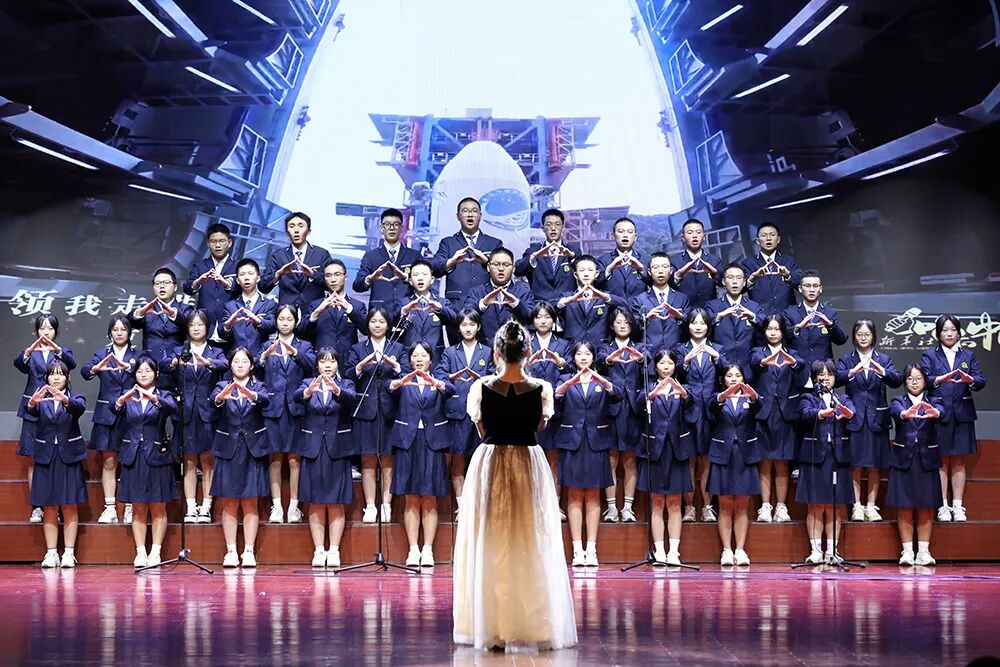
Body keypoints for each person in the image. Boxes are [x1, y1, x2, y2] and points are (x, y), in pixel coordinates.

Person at [453, 320, 577, 651]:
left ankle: (493, 625)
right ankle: (534, 624)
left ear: (496, 352)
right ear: (528, 352)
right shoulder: (542, 388)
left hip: (491, 461)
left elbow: (482, 429)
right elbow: (539, 425)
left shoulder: (481, 388)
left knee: (492, 539)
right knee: (530, 539)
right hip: (527, 461)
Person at [554, 341, 621, 567]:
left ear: (593, 357)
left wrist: (602, 380)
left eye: (587, 354)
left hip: (596, 442)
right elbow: (555, 397)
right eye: (579, 354)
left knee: (593, 495)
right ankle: (577, 550)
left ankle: (591, 549)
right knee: (574, 495)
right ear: (573, 358)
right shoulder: (565, 379)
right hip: (572, 442)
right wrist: (571, 381)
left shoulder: (601, 380)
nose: (583, 357)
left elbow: (617, 395)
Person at [387, 342, 455, 567]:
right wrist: (398, 382)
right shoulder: (403, 380)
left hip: (431, 442)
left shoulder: (437, 380)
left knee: (429, 498)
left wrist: (436, 383)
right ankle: (413, 549)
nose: (419, 359)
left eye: (423, 355)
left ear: (430, 359)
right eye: (415, 355)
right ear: (409, 360)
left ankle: (427, 550)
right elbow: (390, 388)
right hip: (408, 441)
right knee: (411, 498)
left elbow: (450, 390)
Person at [920, 315, 986, 522]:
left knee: (958, 461)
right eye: (944, 330)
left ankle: (957, 505)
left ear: (959, 332)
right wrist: (941, 378)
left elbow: (980, 380)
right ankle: (942, 505)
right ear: (938, 333)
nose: (949, 334)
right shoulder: (929, 354)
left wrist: (970, 379)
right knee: (940, 460)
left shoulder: (968, 355)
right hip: (939, 413)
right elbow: (923, 379)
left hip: (962, 413)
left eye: (953, 330)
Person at [112, 357, 177, 568]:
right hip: (133, 455)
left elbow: (172, 408)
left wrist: (153, 398)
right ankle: (140, 551)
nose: (143, 374)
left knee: (158, 506)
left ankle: (156, 551)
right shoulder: (129, 395)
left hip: (157, 455)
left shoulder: (163, 395)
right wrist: (121, 401)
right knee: (138, 506)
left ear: (156, 374)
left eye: (148, 371)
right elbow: (114, 408)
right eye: (140, 371)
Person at [211, 347, 271, 568]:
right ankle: (230, 551)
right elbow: (214, 400)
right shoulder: (222, 385)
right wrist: (221, 397)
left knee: (250, 501)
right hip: (229, 448)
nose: (239, 365)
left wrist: (250, 394)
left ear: (252, 365)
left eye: (244, 361)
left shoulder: (258, 386)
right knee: (229, 501)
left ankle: (248, 551)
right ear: (230, 365)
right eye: (235, 361)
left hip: (252, 448)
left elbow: (264, 400)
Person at [836, 318, 901, 522]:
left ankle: (871, 506)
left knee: (875, 464)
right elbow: (836, 378)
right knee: (854, 464)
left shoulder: (883, 359)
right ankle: (856, 506)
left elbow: (897, 379)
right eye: (859, 334)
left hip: (877, 419)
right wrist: (852, 372)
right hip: (854, 418)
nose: (863, 338)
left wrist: (882, 371)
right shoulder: (847, 359)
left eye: (867, 334)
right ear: (854, 336)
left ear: (874, 337)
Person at [296, 349, 356, 568]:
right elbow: (297, 396)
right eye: (323, 361)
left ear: (338, 364)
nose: (327, 365)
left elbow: (350, 398)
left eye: (332, 361)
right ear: (317, 365)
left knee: (335, 501)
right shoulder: (308, 382)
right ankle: (319, 549)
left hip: (337, 448)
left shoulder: (345, 383)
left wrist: (335, 389)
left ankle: (334, 550)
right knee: (315, 501)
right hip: (313, 448)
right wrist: (309, 391)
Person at [166, 310, 227, 524]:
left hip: (208, 413)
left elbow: (224, 364)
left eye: (200, 324)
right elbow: (163, 364)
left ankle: (206, 507)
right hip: (186, 413)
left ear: (207, 327)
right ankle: (191, 507)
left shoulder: (215, 352)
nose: (196, 328)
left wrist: (207, 362)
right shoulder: (179, 351)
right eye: (192, 325)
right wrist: (174, 362)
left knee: (208, 461)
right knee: (189, 461)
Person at [15, 314, 77, 524]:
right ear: (37, 331)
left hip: (57, 412)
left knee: (56, 459)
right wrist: (29, 351)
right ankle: (37, 507)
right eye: (42, 328)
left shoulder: (62, 351)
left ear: (56, 331)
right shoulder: (30, 352)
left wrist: (56, 349)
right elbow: (19, 365)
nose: (46, 332)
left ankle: (55, 506)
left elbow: (72, 364)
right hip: (34, 409)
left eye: (50, 328)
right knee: (35, 459)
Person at [345, 308, 405, 523]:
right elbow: (348, 375)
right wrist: (360, 367)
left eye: (381, 322)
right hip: (365, 410)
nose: (377, 325)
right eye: (373, 321)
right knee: (368, 459)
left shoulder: (397, 347)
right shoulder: (358, 348)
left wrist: (396, 367)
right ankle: (370, 506)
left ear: (388, 325)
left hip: (389, 411)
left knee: (388, 459)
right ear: (367, 324)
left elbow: (406, 375)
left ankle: (386, 505)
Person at [26, 359, 87, 568]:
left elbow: (78, 407)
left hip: (69, 456)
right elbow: (29, 411)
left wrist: (65, 400)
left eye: (61, 374)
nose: (56, 377)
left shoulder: (75, 398)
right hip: (46, 457)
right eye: (52, 374)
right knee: (49, 506)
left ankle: (69, 553)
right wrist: (32, 404)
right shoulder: (40, 399)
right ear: (46, 378)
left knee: (69, 505)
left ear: (68, 377)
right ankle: (51, 552)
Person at [260, 304, 316, 524]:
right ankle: (276, 507)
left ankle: (293, 506)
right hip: (273, 409)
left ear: (295, 322)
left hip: (296, 409)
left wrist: (295, 352)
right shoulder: (267, 345)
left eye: (289, 319)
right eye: (281, 319)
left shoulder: (304, 346)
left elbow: (312, 365)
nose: (285, 323)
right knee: (274, 458)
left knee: (294, 459)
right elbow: (254, 368)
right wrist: (264, 357)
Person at [638, 349, 694, 566]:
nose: (666, 367)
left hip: (676, 449)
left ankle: (674, 552)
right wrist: (652, 395)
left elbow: (691, 405)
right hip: (655, 450)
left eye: (670, 363)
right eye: (662, 363)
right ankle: (659, 551)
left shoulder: (683, 388)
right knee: (657, 502)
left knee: (674, 502)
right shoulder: (648, 388)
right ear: (656, 366)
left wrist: (682, 393)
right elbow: (639, 405)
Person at [433, 308, 494, 506]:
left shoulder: (487, 351)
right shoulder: (450, 352)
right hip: (456, 411)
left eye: (472, 324)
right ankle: (462, 505)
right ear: (458, 328)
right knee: (457, 459)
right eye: (464, 325)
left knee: (480, 460)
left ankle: (479, 503)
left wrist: (481, 378)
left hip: (481, 413)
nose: (468, 328)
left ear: (478, 327)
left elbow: (496, 377)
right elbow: (440, 376)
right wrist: (452, 377)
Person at [797, 360, 856, 564]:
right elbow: (805, 414)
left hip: (837, 456)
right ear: (814, 378)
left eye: (829, 374)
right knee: (815, 505)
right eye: (821, 375)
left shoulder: (842, 398)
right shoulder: (808, 397)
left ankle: (832, 550)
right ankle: (815, 550)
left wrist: (843, 410)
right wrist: (821, 413)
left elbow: (852, 412)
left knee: (834, 505)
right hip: (815, 456)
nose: (825, 378)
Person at [81, 315, 138, 524]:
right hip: (106, 415)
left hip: (131, 414)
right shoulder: (101, 354)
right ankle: (110, 507)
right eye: (115, 329)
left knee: (130, 462)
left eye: (123, 329)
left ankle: (131, 506)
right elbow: (85, 371)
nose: (119, 333)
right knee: (109, 461)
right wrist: (95, 368)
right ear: (109, 333)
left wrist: (127, 367)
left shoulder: (137, 355)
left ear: (129, 333)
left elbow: (146, 372)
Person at [750, 315, 805, 523]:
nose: (773, 333)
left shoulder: (792, 354)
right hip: (764, 413)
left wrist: (792, 361)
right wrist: (766, 361)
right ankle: (765, 506)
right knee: (765, 461)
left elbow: (800, 365)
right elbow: (755, 364)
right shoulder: (758, 352)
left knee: (782, 462)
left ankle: (781, 506)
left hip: (785, 414)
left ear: (783, 332)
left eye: (777, 329)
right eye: (769, 329)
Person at [889, 364, 945, 566]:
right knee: (904, 507)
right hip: (903, 459)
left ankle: (923, 551)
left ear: (925, 381)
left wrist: (935, 413)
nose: (914, 382)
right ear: (905, 381)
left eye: (918, 378)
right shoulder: (898, 400)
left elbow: (941, 411)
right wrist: (905, 414)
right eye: (910, 379)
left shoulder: (934, 401)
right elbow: (896, 411)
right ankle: (907, 551)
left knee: (926, 507)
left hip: (926, 460)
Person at [707, 362, 760, 566]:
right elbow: (714, 406)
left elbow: (759, 406)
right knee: (725, 505)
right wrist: (727, 393)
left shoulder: (750, 398)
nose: (734, 379)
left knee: (742, 506)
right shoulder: (718, 397)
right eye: (730, 376)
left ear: (744, 378)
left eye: (738, 375)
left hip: (745, 455)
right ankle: (727, 550)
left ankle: (740, 549)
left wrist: (751, 395)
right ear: (723, 379)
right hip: (723, 454)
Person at [675, 308, 724, 523]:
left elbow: (729, 373)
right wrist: (686, 361)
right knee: (689, 460)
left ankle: (707, 506)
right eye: (694, 322)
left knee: (707, 461)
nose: (698, 327)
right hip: (688, 410)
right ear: (688, 326)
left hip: (711, 411)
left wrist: (717, 358)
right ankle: (688, 507)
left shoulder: (718, 349)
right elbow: (673, 373)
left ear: (708, 326)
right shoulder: (680, 349)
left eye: (702, 323)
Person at [598, 307, 645, 524]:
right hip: (610, 408)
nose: (623, 325)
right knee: (611, 459)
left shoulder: (640, 348)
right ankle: (611, 508)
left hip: (633, 409)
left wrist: (641, 358)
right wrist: (611, 358)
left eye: (626, 322)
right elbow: (601, 361)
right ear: (611, 325)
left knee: (630, 459)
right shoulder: (604, 348)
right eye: (618, 322)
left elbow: (648, 364)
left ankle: (627, 507)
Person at [527, 302, 571, 504]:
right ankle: (532, 504)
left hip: (556, 407)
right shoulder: (525, 342)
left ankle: (554, 504)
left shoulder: (563, 344)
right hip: (529, 406)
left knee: (554, 458)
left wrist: (561, 363)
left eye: (547, 317)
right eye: (539, 317)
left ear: (554, 320)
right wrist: (527, 364)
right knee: (531, 458)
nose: (543, 321)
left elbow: (571, 371)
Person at [431, 197, 503, 305]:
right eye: (465, 211)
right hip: (457, 304)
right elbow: (434, 269)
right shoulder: (448, 243)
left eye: (474, 211)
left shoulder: (494, 243)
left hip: (487, 301)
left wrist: (486, 263)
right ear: (458, 216)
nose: (470, 215)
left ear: (480, 216)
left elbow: (503, 272)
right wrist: (451, 262)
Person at [130, 268, 192, 389]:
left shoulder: (185, 309)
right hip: (151, 368)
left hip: (176, 366)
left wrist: (173, 314)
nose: (161, 286)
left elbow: (189, 324)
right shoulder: (147, 309)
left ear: (175, 287)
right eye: (157, 283)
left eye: (166, 283)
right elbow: (129, 323)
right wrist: (140, 313)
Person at [261, 212, 332, 315]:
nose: (296, 230)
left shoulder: (322, 254)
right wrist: (278, 275)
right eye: (292, 226)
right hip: (286, 315)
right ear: (287, 232)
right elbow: (263, 287)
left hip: (315, 313)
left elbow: (331, 284)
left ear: (309, 231)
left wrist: (313, 275)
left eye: (301, 226)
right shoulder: (278, 256)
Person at [353, 208, 422, 314]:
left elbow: (423, 283)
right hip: (379, 316)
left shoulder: (414, 256)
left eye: (396, 224)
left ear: (402, 228)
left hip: (407, 314)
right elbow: (357, 286)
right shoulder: (370, 256)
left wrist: (406, 278)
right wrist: (370, 279)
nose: (391, 228)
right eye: (387, 224)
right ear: (381, 228)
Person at [183, 222, 240, 347]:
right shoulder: (200, 266)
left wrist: (226, 284)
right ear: (208, 244)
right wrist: (198, 282)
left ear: (229, 243)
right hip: (205, 326)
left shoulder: (238, 266)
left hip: (230, 327)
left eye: (222, 241)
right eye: (213, 241)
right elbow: (187, 288)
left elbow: (242, 290)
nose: (217, 245)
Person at [300, 259, 367, 362]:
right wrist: (317, 312)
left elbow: (366, 330)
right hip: (323, 361)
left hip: (349, 361)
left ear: (345, 277)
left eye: (337, 274)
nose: (333, 279)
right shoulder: (316, 305)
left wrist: (349, 309)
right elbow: (302, 333)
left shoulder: (356, 305)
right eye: (328, 275)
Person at [465, 247, 534, 342]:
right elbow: (465, 316)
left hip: (514, 347)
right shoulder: (477, 291)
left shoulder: (523, 291)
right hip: (484, 347)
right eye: (496, 264)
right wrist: (483, 304)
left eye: (506, 265)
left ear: (513, 268)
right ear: (488, 267)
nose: (501, 269)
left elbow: (531, 318)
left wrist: (516, 304)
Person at [558, 254, 626, 349]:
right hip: (573, 348)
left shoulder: (604, 296)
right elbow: (550, 307)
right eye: (582, 270)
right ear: (575, 275)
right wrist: (569, 300)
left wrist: (605, 297)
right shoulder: (567, 297)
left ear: (596, 274)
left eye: (590, 270)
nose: (586, 274)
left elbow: (625, 305)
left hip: (600, 348)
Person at [514, 208, 580, 303]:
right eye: (549, 225)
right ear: (542, 228)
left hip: (568, 305)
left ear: (563, 227)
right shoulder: (533, 251)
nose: (553, 228)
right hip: (541, 306)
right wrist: (533, 258)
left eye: (557, 224)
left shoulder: (573, 251)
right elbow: (517, 271)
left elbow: (583, 273)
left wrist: (572, 257)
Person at [782, 270, 848, 365]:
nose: (811, 290)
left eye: (815, 286)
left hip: (823, 370)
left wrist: (830, 325)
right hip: (798, 368)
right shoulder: (790, 313)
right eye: (807, 286)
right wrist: (798, 327)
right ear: (800, 288)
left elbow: (841, 340)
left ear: (820, 289)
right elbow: (782, 337)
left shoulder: (830, 313)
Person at [629, 252, 689, 355]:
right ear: (649, 271)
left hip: (676, 354)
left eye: (665, 267)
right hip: (649, 354)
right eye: (655, 267)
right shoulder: (639, 300)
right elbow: (633, 329)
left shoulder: (682, 299)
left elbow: (690, 327)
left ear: (671, 270)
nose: (660, 271)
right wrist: (646, 318)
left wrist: (680, 317)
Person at [706, 263, 764, 368]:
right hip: (721, 366)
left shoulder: (754, 307)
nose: (735, 281)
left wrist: (753, 317)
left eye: (739, 278)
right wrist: (719, 316)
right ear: (723, 281)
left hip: (748, 366)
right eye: (730, 277)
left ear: (744, 282)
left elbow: (766, 325)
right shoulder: (713, 306)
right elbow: (704, 325)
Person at [740, 223, 803, 316]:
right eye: (764, 235)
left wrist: (788, 276)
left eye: (772, 235)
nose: (768, 238)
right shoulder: (748, 263)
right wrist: (752, 279)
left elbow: (801, 283)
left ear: (778, 239)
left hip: (787, 316)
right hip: (760, 316)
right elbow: (739, 288)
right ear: (757, 241)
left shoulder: (789, 261)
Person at [399, 259, 456, 354]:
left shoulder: (441, 302)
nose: (420, 278)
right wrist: (404, 311)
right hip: (412, 356)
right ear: (410, 281)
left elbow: (455, 320)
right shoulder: (404, 303)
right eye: (416, 275)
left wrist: (439, 309)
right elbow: (393, 323)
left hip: (436, 357)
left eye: (424, 274)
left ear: (432, 279)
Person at [220, 258, 277, 351]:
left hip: (261, 356)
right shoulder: (230, 306)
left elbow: (272, 326)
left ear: (258, 278)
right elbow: (221, 333)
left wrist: (259, 322)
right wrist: (227, 326)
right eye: (242, 274)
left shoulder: (270, 304)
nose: (246, 278)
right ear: (237, 280)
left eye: (250, 273)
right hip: (236, 357)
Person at [670, 218, 721, 309]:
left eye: (698, 232)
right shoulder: (673, 261)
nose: (694, 236)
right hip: (683, 312)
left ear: (703, 237)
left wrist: (715, 274)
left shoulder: (715, 260)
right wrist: (678, 276)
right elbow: (667, 286)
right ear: (683, 238)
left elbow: (723, 283)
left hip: (709, 312)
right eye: (690, 232)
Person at [597, 217, 648, 300]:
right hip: (613, 307)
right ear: (613, 236)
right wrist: (608, 270)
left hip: (640, 307)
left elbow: (656, 283)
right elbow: (594, 284)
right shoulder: (603, 261)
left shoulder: (645, 260)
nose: (625, 235)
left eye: (630, 232)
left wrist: (642, 271)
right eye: (621, 231)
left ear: (635, 237)